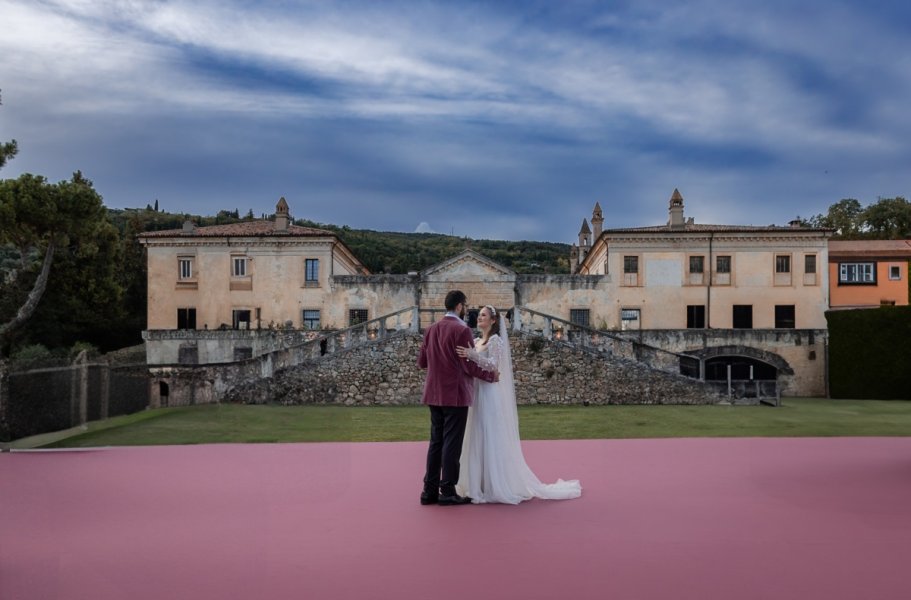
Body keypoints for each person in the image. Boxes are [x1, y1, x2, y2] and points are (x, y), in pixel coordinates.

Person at [456, 305, 582, 504]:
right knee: (476, 434)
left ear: (493, 320)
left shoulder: (496, 340)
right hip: (477, 391)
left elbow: (494, 365)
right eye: (479, 315)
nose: (479, 318)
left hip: (489, 393)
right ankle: (478, 482)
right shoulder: (478, 340)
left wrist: (472, 355)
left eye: (483, 315)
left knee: (489, 433)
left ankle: (495, 482)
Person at [418, 290, 498, 506]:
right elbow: (468, 365)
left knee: (436, 442)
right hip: (455, 394)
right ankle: (447, 490)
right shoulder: (461, 330)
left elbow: (422, 363)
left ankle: (429, 491)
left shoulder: (430, 329)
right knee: (451, 444)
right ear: (460, 306)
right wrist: (491, 376)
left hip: (433, 394)